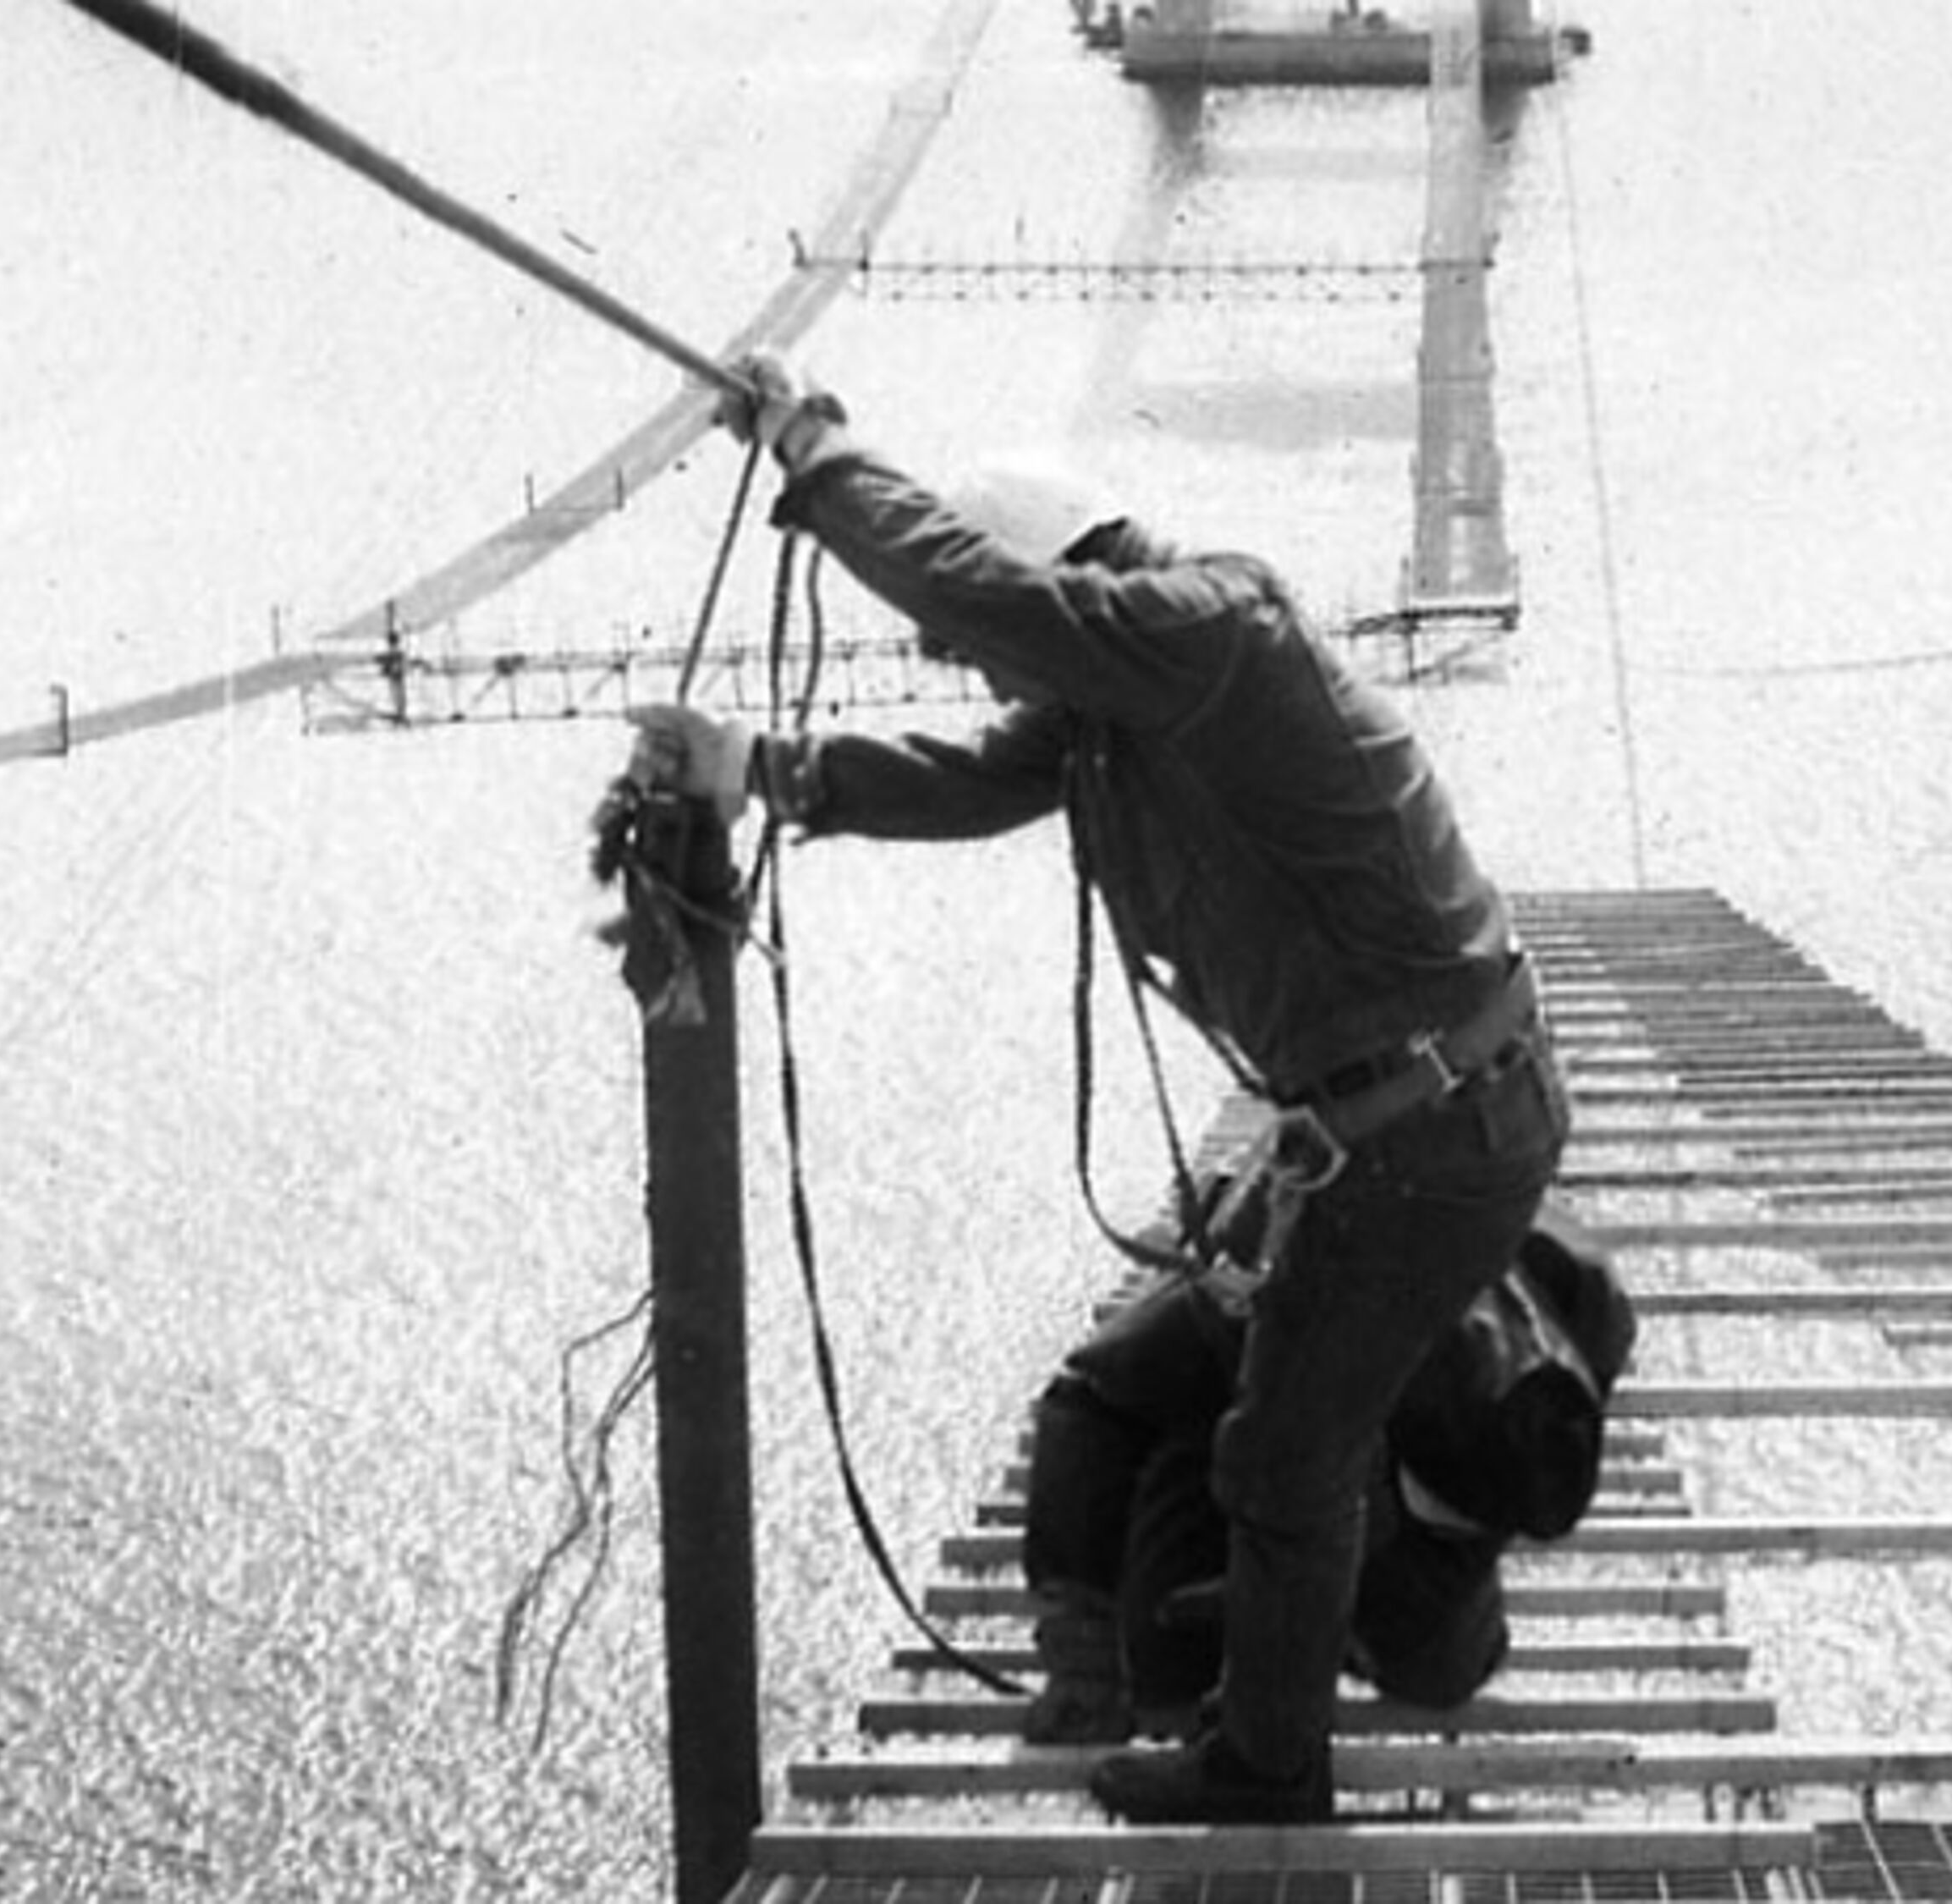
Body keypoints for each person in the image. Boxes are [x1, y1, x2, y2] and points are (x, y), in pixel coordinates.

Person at [627, 350, 1569, 1823]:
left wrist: (816, 452)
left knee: (1284, 1450)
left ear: (1074, 571)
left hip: (1434, 1129)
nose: (993, 679)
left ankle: (1272, 1765)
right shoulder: (1126, 706)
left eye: (1003, 649)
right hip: (1414, 1120)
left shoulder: (1215, 630)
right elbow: (969, 778)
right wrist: (760, 766)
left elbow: (986, 603)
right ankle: (1342, 1663)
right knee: (1291, 1428)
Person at [1021, 1206, 1636, 1744]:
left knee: (1438, 1670)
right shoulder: (1265, 1309)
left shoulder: (1576, 1301)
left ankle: (1369, 1606)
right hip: (1247, 1445)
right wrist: (1084, 1648)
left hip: (1373, 1445)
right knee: (1171, 1674)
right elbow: (1086, 1401)